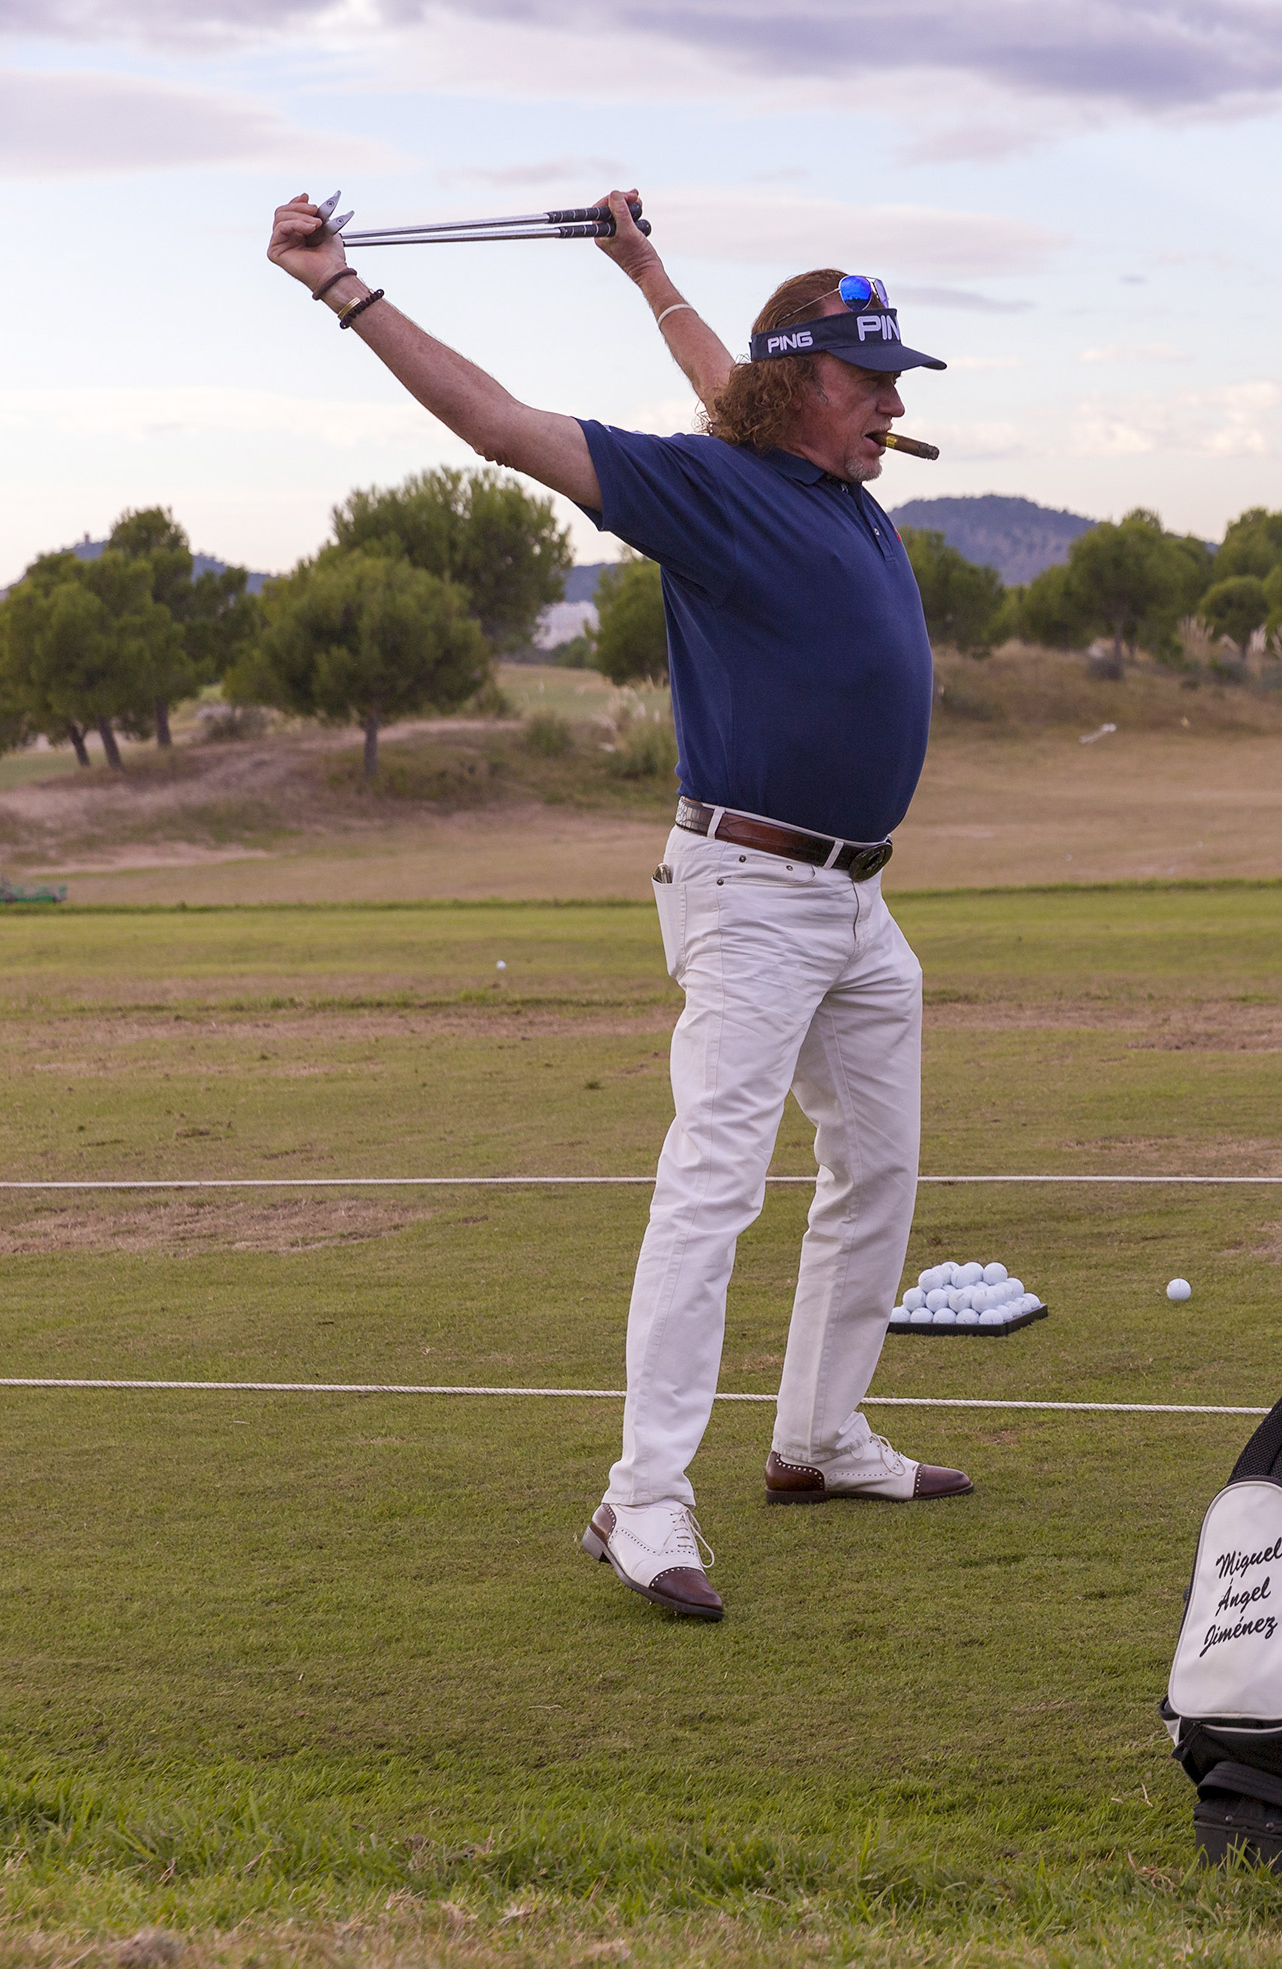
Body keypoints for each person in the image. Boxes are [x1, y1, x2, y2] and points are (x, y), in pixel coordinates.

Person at [265, 190, 973, 1625]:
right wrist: (340, 287)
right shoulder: (707, 491)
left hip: (857, 904)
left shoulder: (813, 476)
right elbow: (500, 426)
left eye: (897, 381)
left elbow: (725, 374)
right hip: (753, 894)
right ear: (802, 387)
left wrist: (645, 268)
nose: (892, 407)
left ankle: (816, 1436)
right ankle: (642, 1495)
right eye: (871, 381)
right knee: (713, 1188)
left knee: (878, 1171)